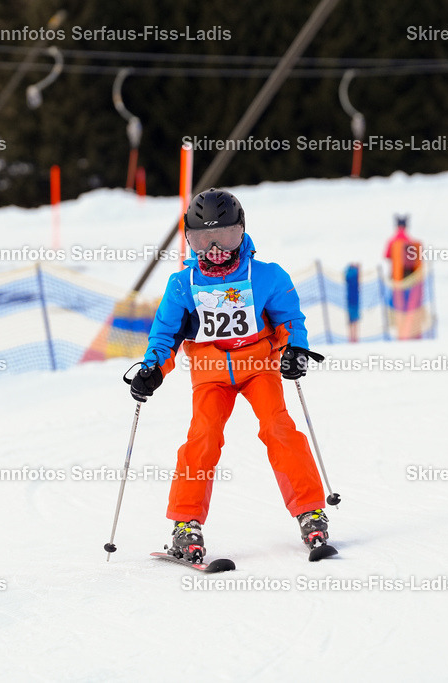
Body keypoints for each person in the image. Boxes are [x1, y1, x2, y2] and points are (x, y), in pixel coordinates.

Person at [128, 187, 330, 562]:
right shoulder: (183, 284)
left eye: (225, 238)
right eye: (203, 240)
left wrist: (294, 351)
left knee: (278, 427)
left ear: (242, 234)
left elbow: (289, 321)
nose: (215, 250)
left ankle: (310, 510)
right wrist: (153, 369)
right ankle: (186, 524)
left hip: (259, 366)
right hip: (210, 371)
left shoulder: (266, 276)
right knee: (203, 437)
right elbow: (166, 333)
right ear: (190, 241)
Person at [384, 215, 425, 339]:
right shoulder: (410, 241)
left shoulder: (392, 241)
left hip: (397, 277)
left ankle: (400, 327)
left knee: (397, 302)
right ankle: (413, 328)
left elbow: (386, 256)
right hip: (411, 276)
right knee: (411, 303)